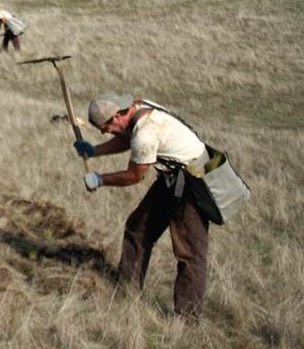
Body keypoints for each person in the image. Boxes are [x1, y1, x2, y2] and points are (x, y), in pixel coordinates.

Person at [73, 93, 212, 319]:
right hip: (172, 178)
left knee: (190, 252)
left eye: (104, 128)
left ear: (117, 115)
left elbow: (134, 175)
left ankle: (187, 319)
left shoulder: (146, 133)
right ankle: (127, 292)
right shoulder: (138, 108)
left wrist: (100, 180)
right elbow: (126, 137)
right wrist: (95, 150)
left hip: (194, 185)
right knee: (138, 229)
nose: (103, 132)